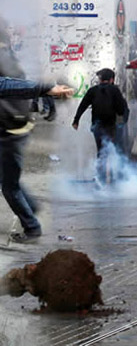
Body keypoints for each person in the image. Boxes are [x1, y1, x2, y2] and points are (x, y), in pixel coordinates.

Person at [0, 21, 73, 242]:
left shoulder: (4, 58)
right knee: (8, 178)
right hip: (17, 126)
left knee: (9, 186)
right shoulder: (9, 57)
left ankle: (32, 228)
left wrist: (44, 88)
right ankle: (31, 207)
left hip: (9, 129)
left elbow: (6, 86)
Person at [73, 68, 128, 182]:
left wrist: (76, 120)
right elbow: (121, 109)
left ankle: (101, 178)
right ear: (112, 79)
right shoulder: (115, 90)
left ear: (100, 79)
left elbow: (83, 105)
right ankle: (113, 177)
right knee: (112, 150)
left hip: (97, 127)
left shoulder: (93, 90)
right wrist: (123, 119)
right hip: (111, 126)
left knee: (101, 151)